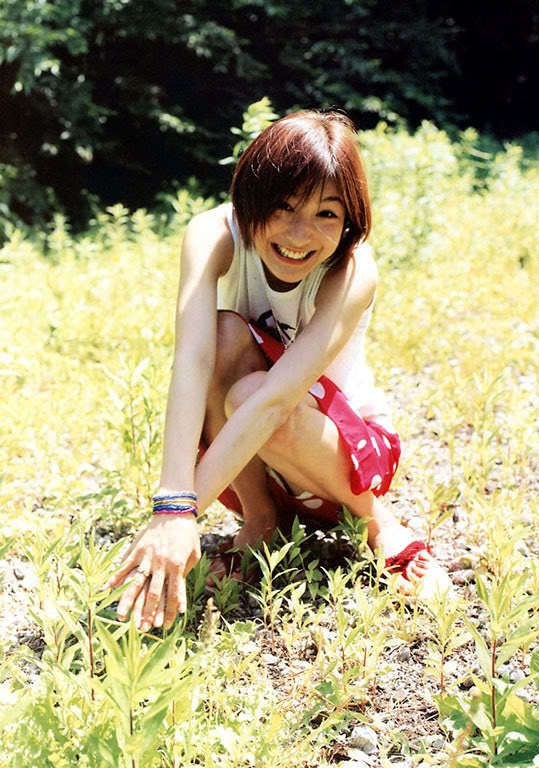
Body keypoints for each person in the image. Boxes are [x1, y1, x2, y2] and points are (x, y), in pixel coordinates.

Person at [107, 110, 451, 633]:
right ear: (250, 199)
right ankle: (262, 518)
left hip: (344, 458)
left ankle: (378, 521)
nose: (299, 234)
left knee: (254, 392)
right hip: (251, 456)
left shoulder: (353, 269)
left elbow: (274, 400)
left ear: (350, 219)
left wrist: (182, 516)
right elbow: (193, 361)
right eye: (283, 206)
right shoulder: (212, 233)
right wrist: (171, 505)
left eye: (326, 213)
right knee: (223, 333)